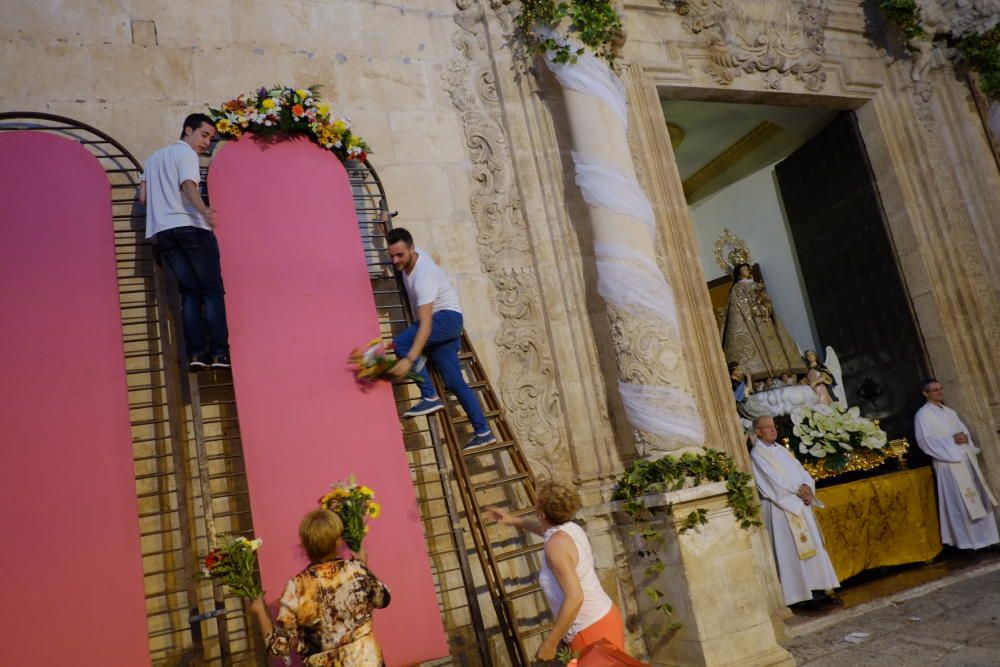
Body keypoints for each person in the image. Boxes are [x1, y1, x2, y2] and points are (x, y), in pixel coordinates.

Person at [486, 480, 625, 661]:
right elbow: (545, 530)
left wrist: (550, 643)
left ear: (541, 513)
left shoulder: (556, 546)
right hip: (602, 618)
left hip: (589, 629)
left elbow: (575, 597)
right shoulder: (568, 528)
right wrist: (513, 520)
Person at [386, 228, 495, 449]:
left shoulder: (423, 278)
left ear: (412, 249)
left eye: (400, 255)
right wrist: (385, 225)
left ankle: (429, 396)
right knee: (454, 381)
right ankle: (483, 431)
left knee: (401, 343)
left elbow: (425, 325)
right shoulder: (411, 255)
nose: (395, 260)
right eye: (391, 255)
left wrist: (408, 360)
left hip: (444, 319)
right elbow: (397, 239)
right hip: (447, 323)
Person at [138, 113, 230, 371]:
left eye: (211, 138)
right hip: (191, 228)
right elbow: (188, 184)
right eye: (204, 135)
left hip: (164, 233)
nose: (207, 143)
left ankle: (196, 354)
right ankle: (220, 355)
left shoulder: (153, 159)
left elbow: (143, 197)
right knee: (212, 292)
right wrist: (204, 211)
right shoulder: (186, 154)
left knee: (189, 293)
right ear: (188, 130)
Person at [247, 509, 391, 666]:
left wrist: (260, 610)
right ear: (337, 541)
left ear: (306, 546)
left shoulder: (296, 587)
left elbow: (279, 648)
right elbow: (383, 599)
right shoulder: (356, 569)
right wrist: (364, 566)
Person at [750, 415, 841, 608]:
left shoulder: (781, 450)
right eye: (767, 427)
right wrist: (799, 491)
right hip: (782, 509)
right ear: (758, 431)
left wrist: (807, 486)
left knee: (814, 548)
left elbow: (801, 471)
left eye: (773, 426)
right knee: (792, 552)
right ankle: (802, 597)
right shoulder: (757, 454)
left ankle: (820, 590)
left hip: (799, 503)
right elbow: (772, 482)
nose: (773, 430)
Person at [914, 379, 999, 550]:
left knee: (978, 499)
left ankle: (989, 538)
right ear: (926, 394)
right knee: (960, 504)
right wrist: (951, 442)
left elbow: (963, 431)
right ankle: (969, 543)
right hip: (949, 464)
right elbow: (925, 442)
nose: (940, 392)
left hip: (964, 460)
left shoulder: (949, 412)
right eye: (935, 390)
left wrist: (965, 438)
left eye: (940, 389)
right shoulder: (923, 415)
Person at [720, 263, 804, 381]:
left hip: (765, 320)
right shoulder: (737, 288)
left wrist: (765, 304)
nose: (747, 271)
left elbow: (766, 302)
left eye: (747, 269)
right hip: (751, 322)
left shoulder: (757, 285)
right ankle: (764, 376)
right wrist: (751, 311)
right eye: (744, 269)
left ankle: (784, 373)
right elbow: (737, 307)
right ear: (739, 273)